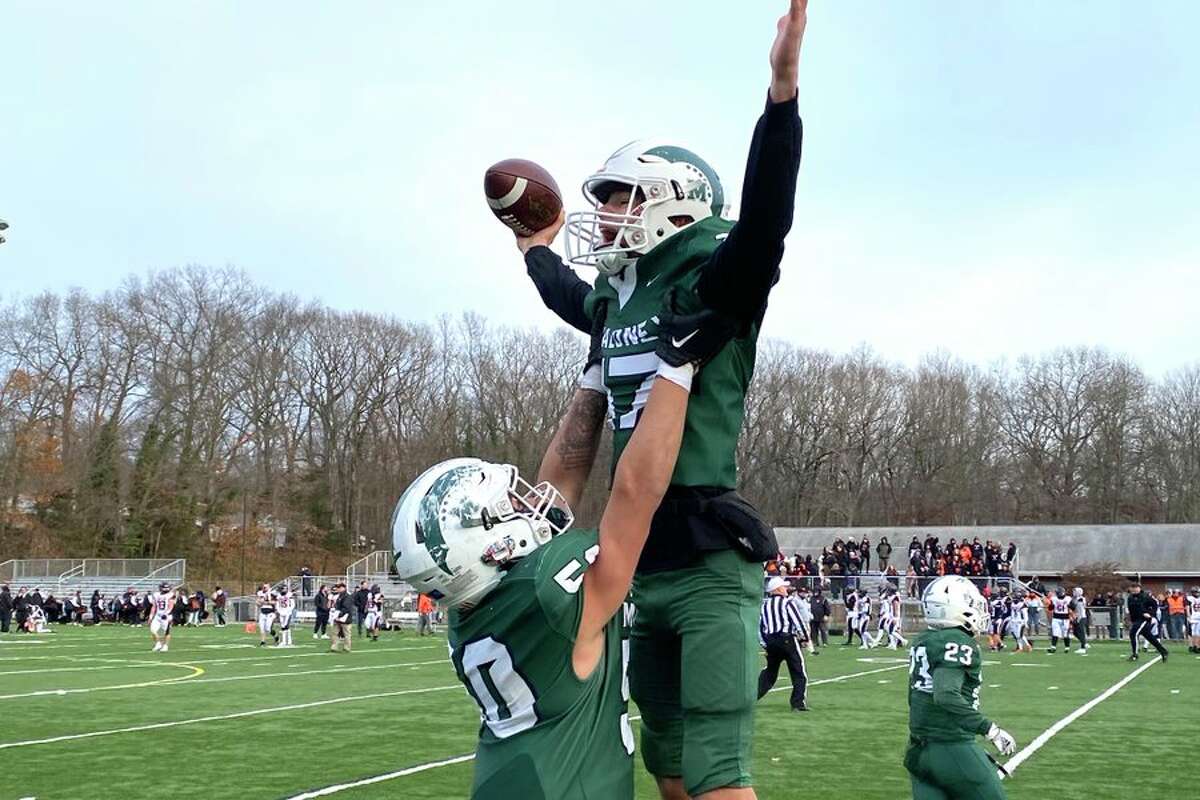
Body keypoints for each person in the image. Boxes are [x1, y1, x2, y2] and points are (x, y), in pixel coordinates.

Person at [518, 4, 806, 797]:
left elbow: (766, 229)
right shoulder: (619, 301)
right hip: (640, 558)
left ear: (668, 200)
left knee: (717, 766)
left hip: (711, 556)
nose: (604, 215)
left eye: (617, 198)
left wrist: (781, 96)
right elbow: (569, 297)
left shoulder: (710, 279)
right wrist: (531, 251)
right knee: (667, 761)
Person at [392, 302, 733, 799]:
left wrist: (595, 376)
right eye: (507, 503)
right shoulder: (547, 596)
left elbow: (558, 485)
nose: (524, 501)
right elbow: (635, 491)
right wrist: (676, 366)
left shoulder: (473, 600)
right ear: (490, 544)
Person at [905, 575, 1016, 800]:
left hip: (918, 748)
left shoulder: (925, 638)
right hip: (951, 745)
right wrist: (990, 729)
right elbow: (945, 694)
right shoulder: (958, 640)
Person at [756, 577, 808, 711]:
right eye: (784, 587)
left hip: (771, 641)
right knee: (798, 672)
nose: (786, 589)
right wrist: (805, 638)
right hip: (787, 640)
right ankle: (797, 704)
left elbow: (760, 627)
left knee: (770, 673)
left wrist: (764, 644)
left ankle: (751, 697)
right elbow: (798, 621)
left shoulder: (764, 605)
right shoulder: (787, 603)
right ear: (777, 589)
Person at [1126, 583, 1168, 662]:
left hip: (1143, 619)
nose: (1134, 590)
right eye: (1133, 588)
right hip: (1136, 619)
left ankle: (1135, 654)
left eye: (1136, 588)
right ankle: (1163, 651)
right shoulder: (1130, 597)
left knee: (1133, 633)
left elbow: (1155, 604)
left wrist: (1150, 614)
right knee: (1150, 637)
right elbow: (1132, 610)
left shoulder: (1145, 596)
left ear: (1139, 588)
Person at [874, 585, 907, 650]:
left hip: (894, 617)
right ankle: (893, 644)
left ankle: (902, 640)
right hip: (892, 616)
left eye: (889, 590)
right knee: (890, 630)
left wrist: (895, 617)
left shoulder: (895, 598)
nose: (887, 591)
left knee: (892, 631)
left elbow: (896, 607)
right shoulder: (892, 597)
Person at [149, 583, 176, 652]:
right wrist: (151, 616)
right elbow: (154, 606)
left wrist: (166, 613)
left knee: (166, 632)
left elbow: (171, 605)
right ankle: (158, 644)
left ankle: (165, 646)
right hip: (158, 615)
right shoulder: (156, 595)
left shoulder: (171, 595)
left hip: (167, 616)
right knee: (153, 630)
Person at [330, 581, 354, 653]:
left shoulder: (347, 596)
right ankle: (334, 646)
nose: (337, 589)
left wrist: (339, 614)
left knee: (346, 633)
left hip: (345, 618)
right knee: (335, 632)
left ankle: (347, 647)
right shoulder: (339, 596)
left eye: (339, 587)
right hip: (338, 617)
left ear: (343, 588)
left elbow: (346, 608)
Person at [1047, 587, 1072, 654]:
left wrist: (1070, 606)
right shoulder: (1054, 599)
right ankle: (1053, 647)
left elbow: (1073, 607)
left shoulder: (1068, 598)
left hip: (1065, 618)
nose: (1058, 594)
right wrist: (1051, 604)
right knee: (1055, 632)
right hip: (1056, 618)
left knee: (1065, 634)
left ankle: (1067, 647)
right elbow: (1050, 608)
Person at [256, 583, 279, 647]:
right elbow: (257, 603)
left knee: (268, 628)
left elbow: (275, 602)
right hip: (262, 612)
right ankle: (263, 642)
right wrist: (259, 602)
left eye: (266, 587)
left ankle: (276, 636)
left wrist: (266, 602)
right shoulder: (260, 593)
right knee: (261, 628)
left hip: (270, 613)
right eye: (264, 587)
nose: (264, 588)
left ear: (269, 587)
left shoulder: (273, 593)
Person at [1070, 588, 1089, 654]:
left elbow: (1080, 610)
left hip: (1081, 617)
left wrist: (1078, 618)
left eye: (1075, 591)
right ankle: (1084, 642)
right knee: (1075, 632)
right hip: (1076, 617)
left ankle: (1083, 648)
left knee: (1081, 632)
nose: (1074, 592)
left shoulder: (1081, 599)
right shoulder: (1073, 598)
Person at [1187, 587, 1200, 654]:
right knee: (1191, 633)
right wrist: (1189, 617)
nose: (1197, 593)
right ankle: (1191, 646)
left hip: (1198, 618)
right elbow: (1187, 608)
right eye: (1196, 592)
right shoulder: (1190, 598)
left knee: (1197, 633)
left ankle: (1196, 646)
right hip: (1192, 618)